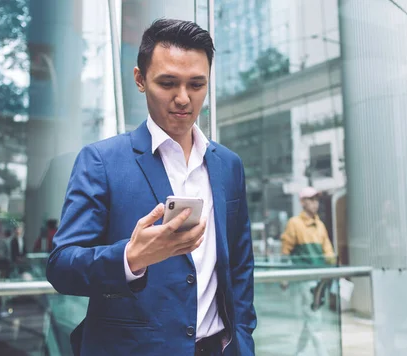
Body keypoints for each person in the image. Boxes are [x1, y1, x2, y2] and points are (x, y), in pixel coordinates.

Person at [46, 19, 256, 356]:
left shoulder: (228, 165)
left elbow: (241, 265)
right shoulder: (101, 161)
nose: (183, 99)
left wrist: (243, 339)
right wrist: (131, 257)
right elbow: (61, 265)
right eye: (168, 83)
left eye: (197, 84)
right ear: (140, 80)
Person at [281, 186, 336, 356]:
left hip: (320, 278)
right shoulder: (294, 224)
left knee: (310, 317)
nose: (315, 204)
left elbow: (329, 253)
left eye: (316, 200)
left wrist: (335, 270)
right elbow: (286, 251)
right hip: (306, 279)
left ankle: (299, 352)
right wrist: (284, 277)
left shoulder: (320, 225)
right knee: (314, 316)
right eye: (311, 200)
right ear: (303, 202)